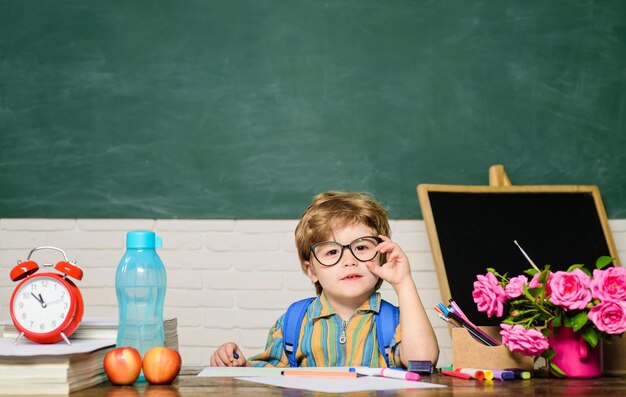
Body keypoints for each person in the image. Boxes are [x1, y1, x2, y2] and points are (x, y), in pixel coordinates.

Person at [209, 191, 438, 368]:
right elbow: (269, 374)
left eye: (361, 247)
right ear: (312, 271)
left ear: (381, 255)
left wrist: (403, 282)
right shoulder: (292, 323)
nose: (349, 260)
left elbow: (423, 361)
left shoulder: (400, 322)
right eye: (331, 252)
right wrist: (239, 364)